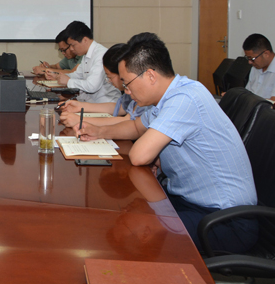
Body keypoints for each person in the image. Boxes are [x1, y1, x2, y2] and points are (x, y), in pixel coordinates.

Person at [78, 34, 258, 253]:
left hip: (225, 220)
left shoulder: (185, 98)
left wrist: (155, 155)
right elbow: (136, 127)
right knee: (128, 210)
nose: (126, 91)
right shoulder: (164, 100)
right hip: (189, 201)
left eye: (127, 83)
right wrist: (99, 131)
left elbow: (139, 155)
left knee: (148, 242)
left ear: (150, 75)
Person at [59, 43, 145, 128]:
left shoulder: (141, 94)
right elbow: (120, 107)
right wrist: (80, 106)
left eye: (110, 77)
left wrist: (80, 120)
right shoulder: (130, 92)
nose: (109, 81)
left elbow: (129, 121)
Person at [43, 21, 120, 103]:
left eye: (73, 45)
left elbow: (92, 86)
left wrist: (68, 81)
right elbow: (77, 75)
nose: (71, 49)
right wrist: (57, 77)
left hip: (107, 104)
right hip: (91, 102)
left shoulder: (101, 55)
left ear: (85, 40)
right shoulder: (86, 55)